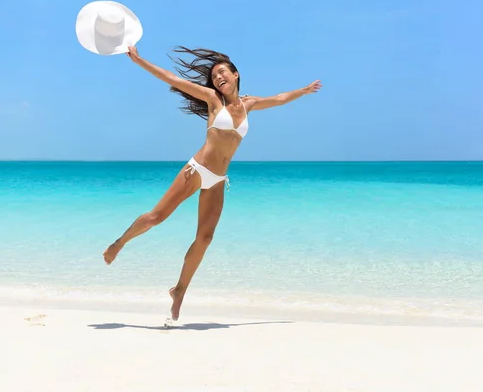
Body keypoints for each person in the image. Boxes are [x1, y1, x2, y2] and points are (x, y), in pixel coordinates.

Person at [102, 45, 322, 321]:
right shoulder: (212, 100)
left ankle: (179, 290)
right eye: (214, 75)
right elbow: (173, 79)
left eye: (222, 72)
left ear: (235, 74)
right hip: (196, 170)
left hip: (218, 179)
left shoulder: (249, 103)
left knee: (205, 238)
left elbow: (279, 98)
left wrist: (303, 91)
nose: (218, 78)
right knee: (156, 217)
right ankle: (119, 243)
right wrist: (139, 60)